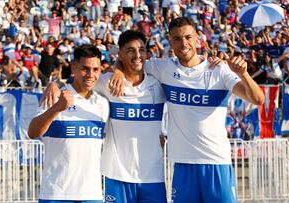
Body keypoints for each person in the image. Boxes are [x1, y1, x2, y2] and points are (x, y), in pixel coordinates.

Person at [111, 17, 264, 203]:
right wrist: (118, 72)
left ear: (197, 39)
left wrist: (243, 73)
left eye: (188, 37)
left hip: (216, 163)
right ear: (170, 42)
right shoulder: (163, 68)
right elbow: (132, 61)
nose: (184, 43)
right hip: (183, 165)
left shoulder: (219, 70)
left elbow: (257, 99)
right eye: (177, 38)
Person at [43, 30, 167, 203]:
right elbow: (80, 81)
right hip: (116, 175)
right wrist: (54, 85)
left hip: (153, 177)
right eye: (130, 50)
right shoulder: (106, 82)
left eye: (141, 50)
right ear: (120, 54)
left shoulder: (159, 84)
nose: (137, 55)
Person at [28, 45, 109, 203]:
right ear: (73, 68)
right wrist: (57, 108)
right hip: (56, 194)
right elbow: (32, 132)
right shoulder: (55, 95)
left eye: (95, 69)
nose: (90, 74)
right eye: (85, 68)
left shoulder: (103, 104)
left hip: (92, 195)